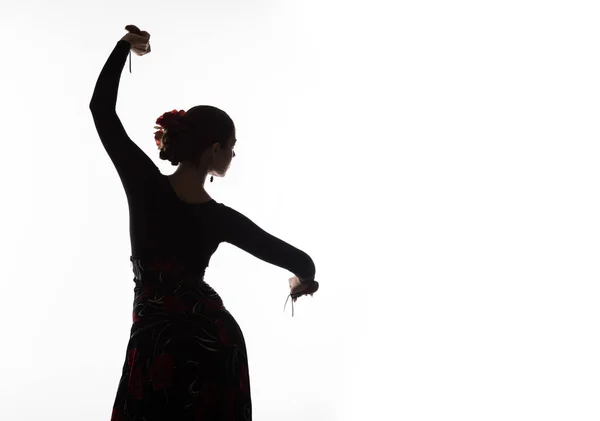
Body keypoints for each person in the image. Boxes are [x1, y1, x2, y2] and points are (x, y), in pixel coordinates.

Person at [89, 25, 319, 421]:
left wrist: (125, 46)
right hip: (214, 343)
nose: (233, 156)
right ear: (215, 150)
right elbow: (299, 261)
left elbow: (101, 111)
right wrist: (300, 286)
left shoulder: (145, 185)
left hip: (155, 343)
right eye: (232, 148)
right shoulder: (219, 219)